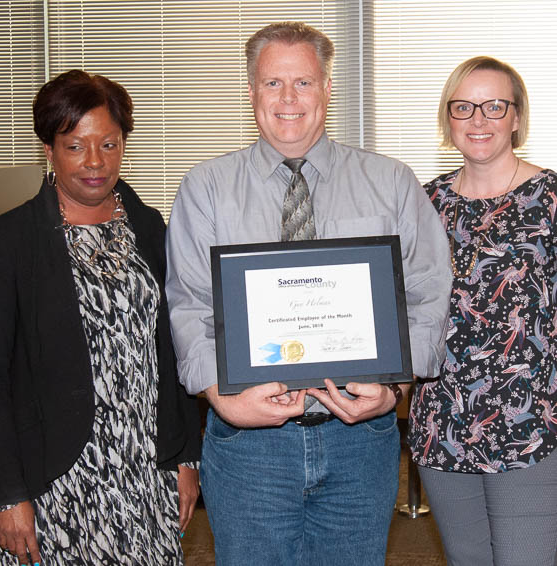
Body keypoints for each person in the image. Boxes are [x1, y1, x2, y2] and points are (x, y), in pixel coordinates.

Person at [166, 22, 451, 566]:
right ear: (252, 93)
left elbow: (429, 287)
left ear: (326, 89)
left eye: (303, 82)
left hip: (359, 441)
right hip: (248, 447)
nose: (289, 99)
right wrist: (220, 397)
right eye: (273, 84)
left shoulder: (390, 181)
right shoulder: (205, 188)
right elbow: (189, 302)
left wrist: (394, 383)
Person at [0, 70, 202, 566]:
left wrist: (185, 456)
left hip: (144, 471)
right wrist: (5, 494)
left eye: (108, 144)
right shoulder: (10, 241)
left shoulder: (149, 226)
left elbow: (175, 347)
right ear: (48, 149)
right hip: (52, 477)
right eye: (75, 146)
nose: (94, 162)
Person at [409, 56, 557, 566]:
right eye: (464, 106)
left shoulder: (552, 199)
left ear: (517, 117)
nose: (479, 120)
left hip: (532, 423)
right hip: (442, 420)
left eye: (495, 106)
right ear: (448, 119)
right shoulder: (423, 204)